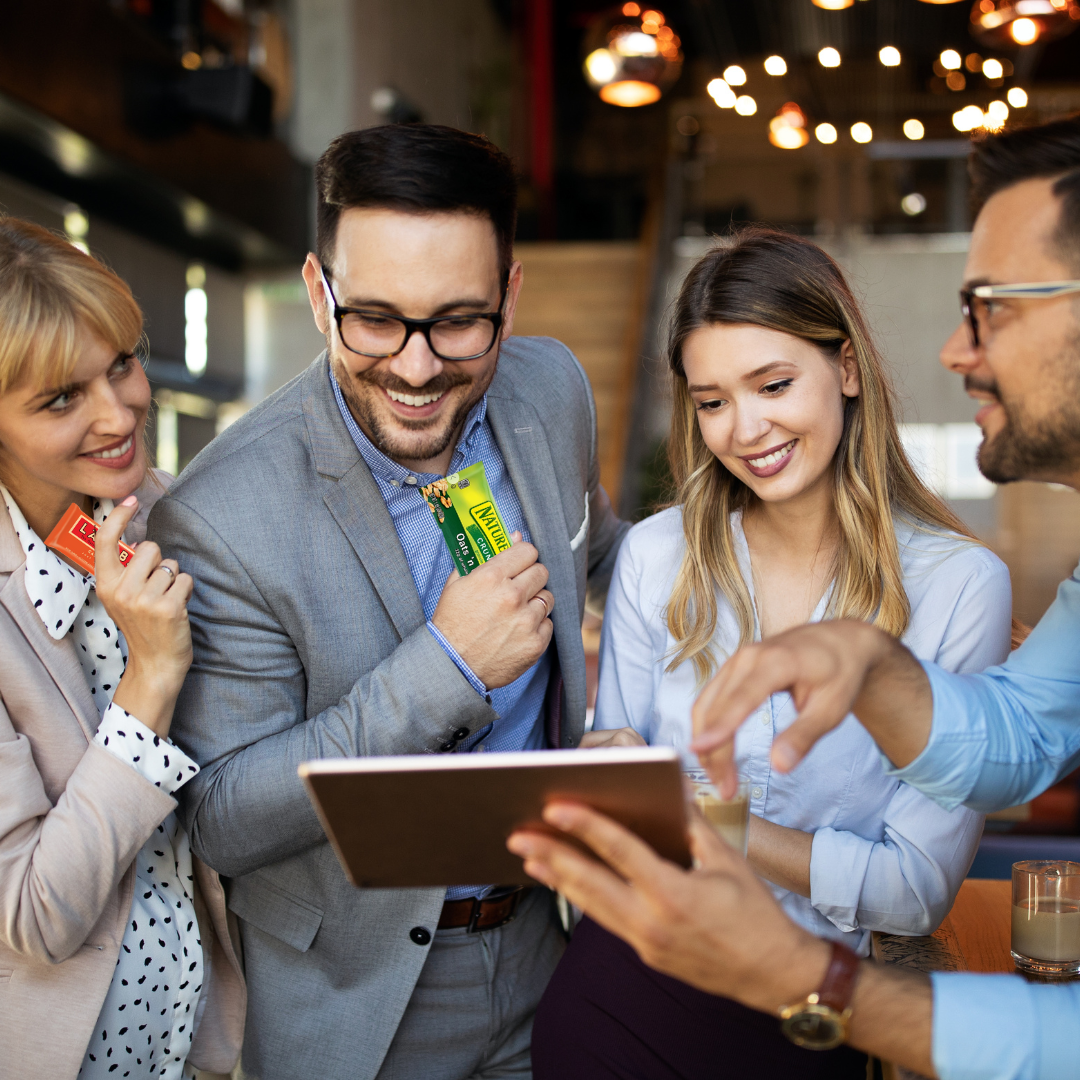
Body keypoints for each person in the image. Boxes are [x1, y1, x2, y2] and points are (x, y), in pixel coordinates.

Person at [507, 114, 1080, 1080]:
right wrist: (612, 778)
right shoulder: (657, 555)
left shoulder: (955, 581)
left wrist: (704, 812)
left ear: (846, 367)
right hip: (627, 979)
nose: (744, 428)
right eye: (712, 400)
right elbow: (1013, 742)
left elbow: (915, 888)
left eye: (774, 383)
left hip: (809, 1003)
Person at [148, 123, 628, 1080]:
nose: (415, 369)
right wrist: (443, 672)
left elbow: (612, 558)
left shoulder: (553, 389)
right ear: (318, 293)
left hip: (550, 946)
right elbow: (223, 814)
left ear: (511, 296)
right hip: (354, 1001)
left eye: (458, 322)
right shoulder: (222, 512)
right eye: (375, 320)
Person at [0, 218, 244, 1079]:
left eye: (123, 364)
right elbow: (36, 917)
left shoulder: (175, 519)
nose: (119, 414)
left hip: (202, 1042)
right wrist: (153, 677)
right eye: (61, 398)